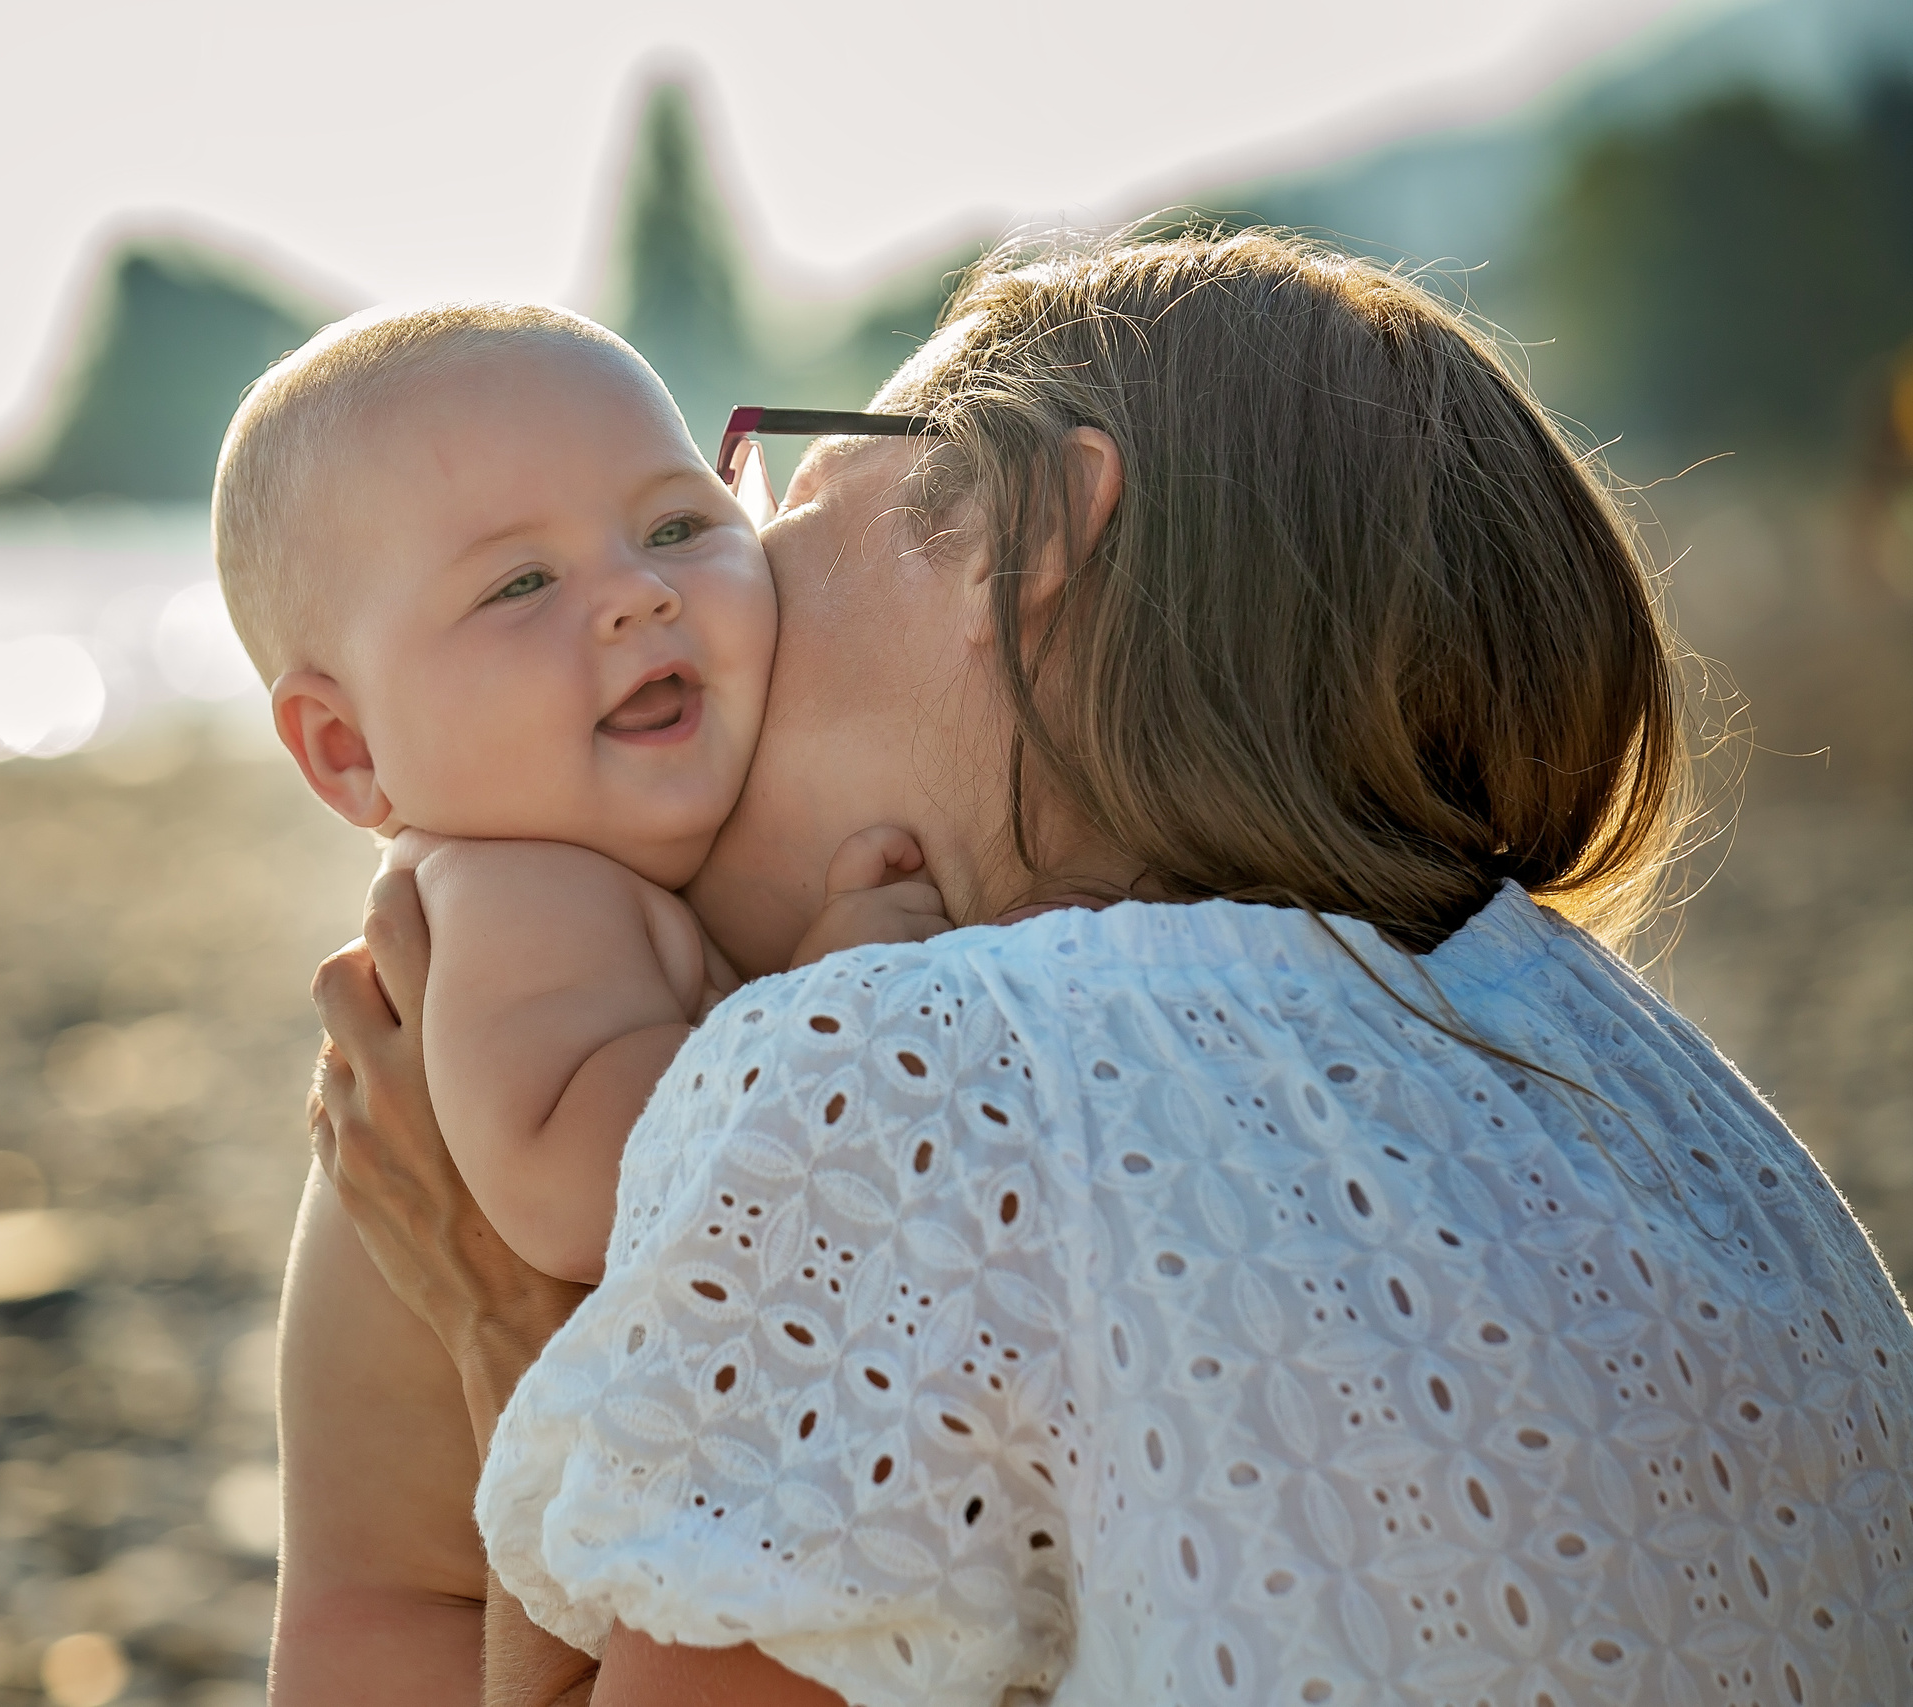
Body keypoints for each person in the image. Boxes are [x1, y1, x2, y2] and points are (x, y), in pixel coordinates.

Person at [306, 230, 1913, 1705]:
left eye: (775, 499)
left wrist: (515, 1329)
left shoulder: (908, 1074)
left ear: (1022, 534)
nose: (709, 586)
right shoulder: (1679, 1103)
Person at [210, 302, 952, 1703]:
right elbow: (581, 1188)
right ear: (348, 748)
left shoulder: (584, 876)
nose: (635, 594)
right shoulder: (510, 898)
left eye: (676, 526)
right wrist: (825, 997)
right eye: (518, 587)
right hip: (422, 1642)